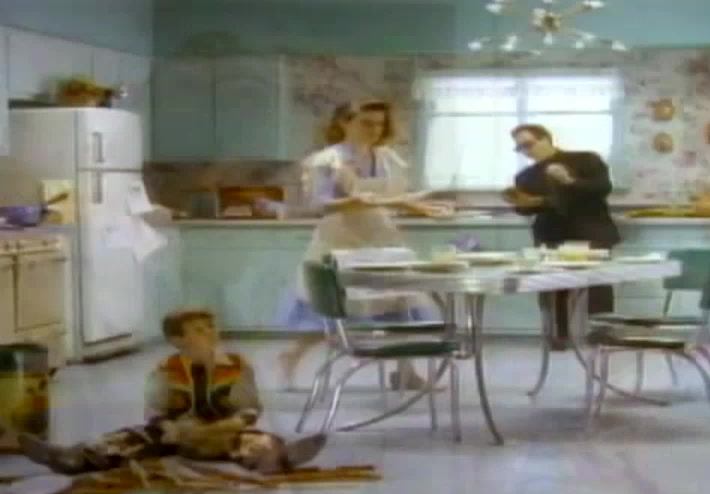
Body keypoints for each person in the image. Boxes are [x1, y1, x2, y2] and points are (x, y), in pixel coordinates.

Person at [265, 100, 451, 390]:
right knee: (330, 308)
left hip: (381, 237)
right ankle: (290, 358)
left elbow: (391, 198)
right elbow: (321, 204)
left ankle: (405, 371)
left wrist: (419, 207)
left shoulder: (388, 158)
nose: (374, 130)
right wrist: (389, 202)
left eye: (379, 124)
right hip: (341, 239)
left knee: (401, 302)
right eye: (366, 123)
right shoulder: (327, 160)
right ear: (344, 122)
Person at [18, 309, 327, 474]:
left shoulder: (237, 365)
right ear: (177, 341)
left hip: (223, 433)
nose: (210, 334)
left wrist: (223, 426)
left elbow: (248, 409)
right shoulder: (165, 370)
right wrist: (172, 429)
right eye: (199, 330)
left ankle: (281, 458)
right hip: (177, 434)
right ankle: (73, 457)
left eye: (211, 327)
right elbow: (155, 411)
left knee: (257, 440)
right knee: (129, 437)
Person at [504, 124, 621, 350]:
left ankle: (602, 333)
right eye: (520, 148)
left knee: (598, 282)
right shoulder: (525, 176)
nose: (526, 151)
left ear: (545, 139)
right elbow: (526, 209)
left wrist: (569, 181)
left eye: (528, 144)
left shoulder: (586, 160)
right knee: (552, 283)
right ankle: (557, 335)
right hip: (551, 233)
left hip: (591, 230)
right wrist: (522, 203)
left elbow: (602, 188)